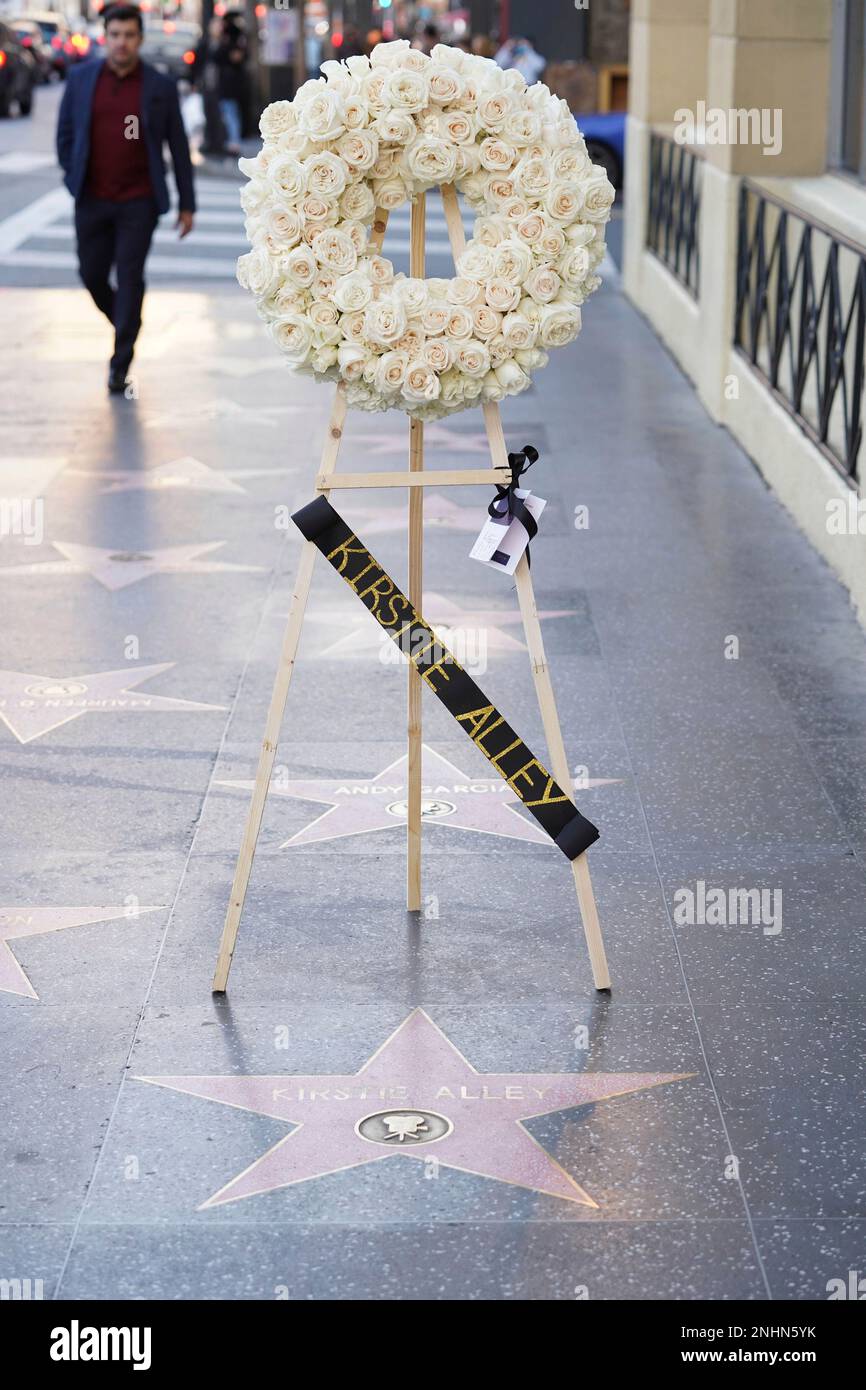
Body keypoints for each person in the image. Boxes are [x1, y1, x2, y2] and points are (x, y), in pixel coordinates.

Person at [56, 3, 195, 394]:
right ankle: (127, 322)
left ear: (139, 38)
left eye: (129, 35)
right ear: (105, 36)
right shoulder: (82, 79)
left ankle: (120, 364)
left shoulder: (158, 87)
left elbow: (178, 147)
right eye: (115, 35)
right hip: (92, 198)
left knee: (130, 276)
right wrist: (72, 177)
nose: (121, 42)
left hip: (139, 200)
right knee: (92, 274)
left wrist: (187, 204)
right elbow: (65, 135)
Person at [213, 20, 248, 155]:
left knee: (230, 115)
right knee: (230, 114)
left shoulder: (230, 46)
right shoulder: (236, 46)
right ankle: (232, 141)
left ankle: (234, 142)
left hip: (229, 87)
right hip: (230, 87)